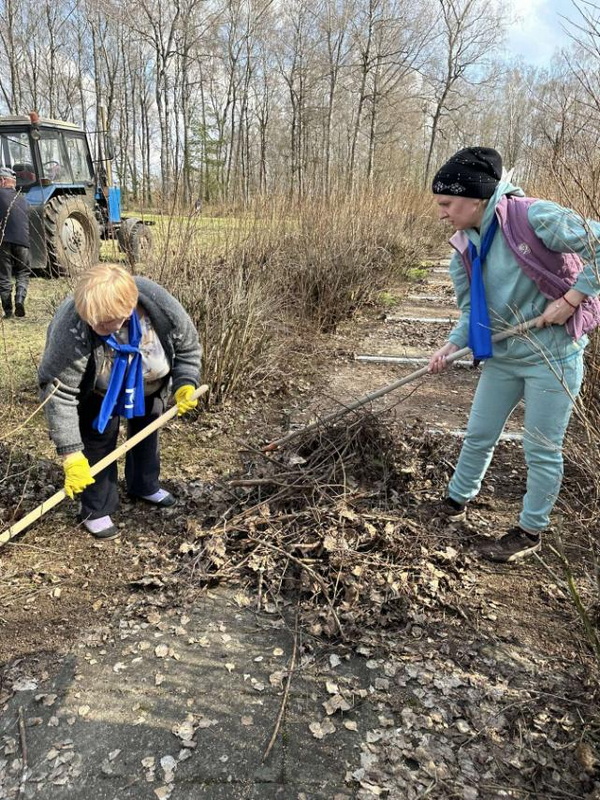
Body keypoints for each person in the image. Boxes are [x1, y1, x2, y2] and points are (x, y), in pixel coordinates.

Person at [428, 146, 600, 562]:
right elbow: (473, 310)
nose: (442, 213)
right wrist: (452, 344)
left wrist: (573, 297)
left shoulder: (533, 216)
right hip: (503, 357)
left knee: (541, 448)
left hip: (553, 357)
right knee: (479, 435)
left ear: (475, 198)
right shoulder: (464, 248)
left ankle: (529, 530)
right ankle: (455, 501)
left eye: (447, 203)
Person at [38, 263, 202, 540]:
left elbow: (187, 346)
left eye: (103, 322)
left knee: (146, 433)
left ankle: (144, 484)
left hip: (149, 384)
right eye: (91, 320)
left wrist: (186, 383)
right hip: (100, 392)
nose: (94, 325)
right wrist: (71, 453)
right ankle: (97, 508)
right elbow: (59, 390)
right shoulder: (73, 325)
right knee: (97, 443)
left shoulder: (159, 304)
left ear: (127, 309)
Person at [0, 166, 31, 318]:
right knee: (23, 272)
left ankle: (8, 312)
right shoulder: (22, 198)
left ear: (2, 180)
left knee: (4, 275)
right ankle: (20, 299)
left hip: (3, 240)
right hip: (23, 241)